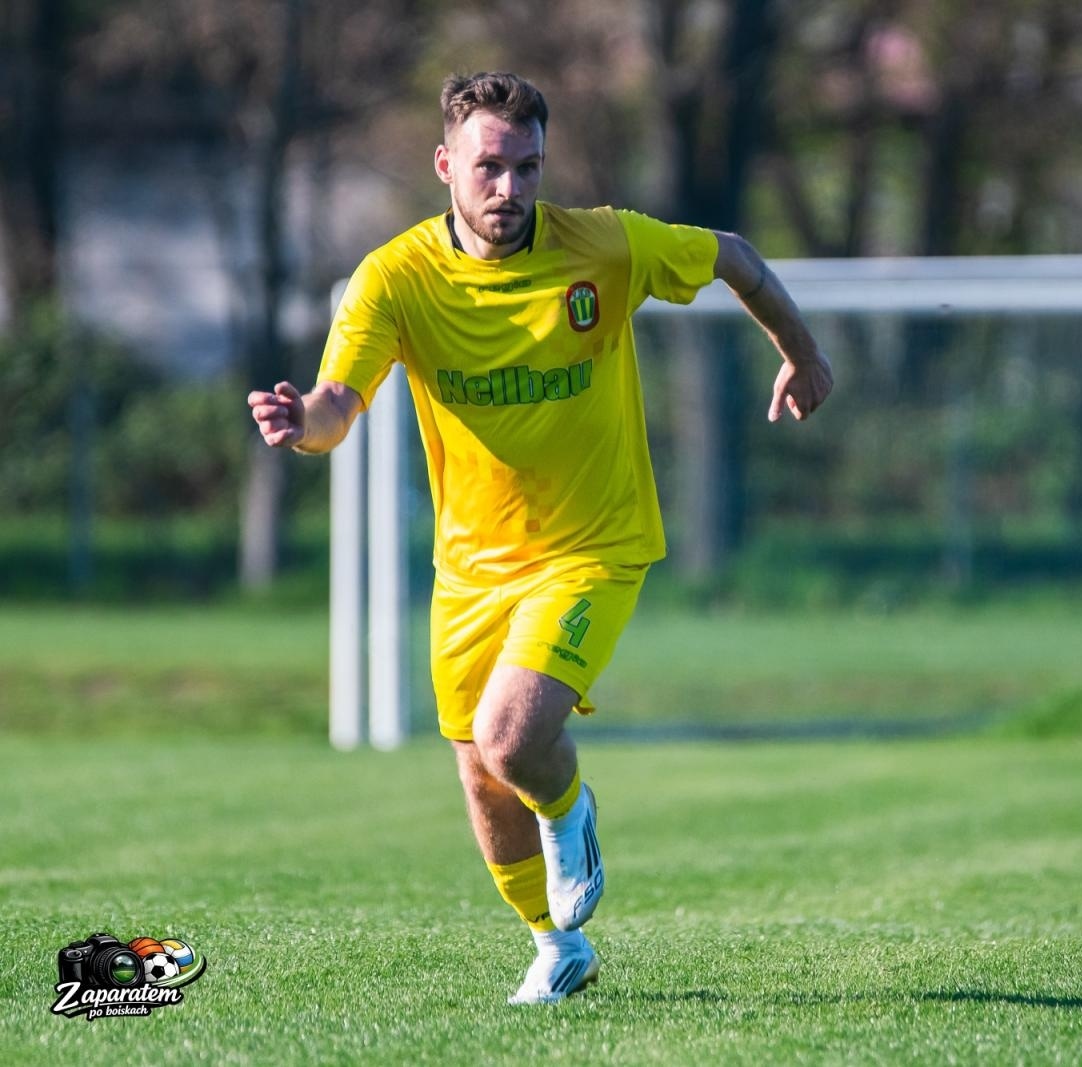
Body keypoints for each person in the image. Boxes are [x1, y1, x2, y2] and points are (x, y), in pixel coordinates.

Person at [247, 71, 833, 1005]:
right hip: (472, 568)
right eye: (490, 167)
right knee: (481, 776)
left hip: (594, 544)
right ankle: (557, 946)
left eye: (528, 167)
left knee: (513, 739)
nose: (510, 189)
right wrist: (299, 422)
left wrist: (801, 352)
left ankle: (571, 809)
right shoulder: (395, 279)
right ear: (446, 166)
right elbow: (337, 405)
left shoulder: (600, 246)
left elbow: (731, 254)